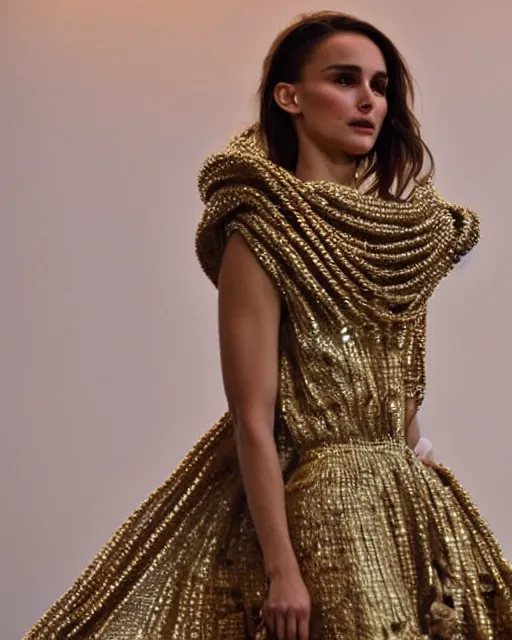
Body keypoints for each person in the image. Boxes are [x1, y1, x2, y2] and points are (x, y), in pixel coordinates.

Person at [22, 10, 512, 640]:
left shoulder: (403, 235)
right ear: (290, 97)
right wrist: (283, 569)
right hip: (331, 507)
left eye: (381, 86)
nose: (368, 99)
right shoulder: (258, 231)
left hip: (414, 500)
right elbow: (252, 417)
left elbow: (399, 386)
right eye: (344, 79)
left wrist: (424, 482)